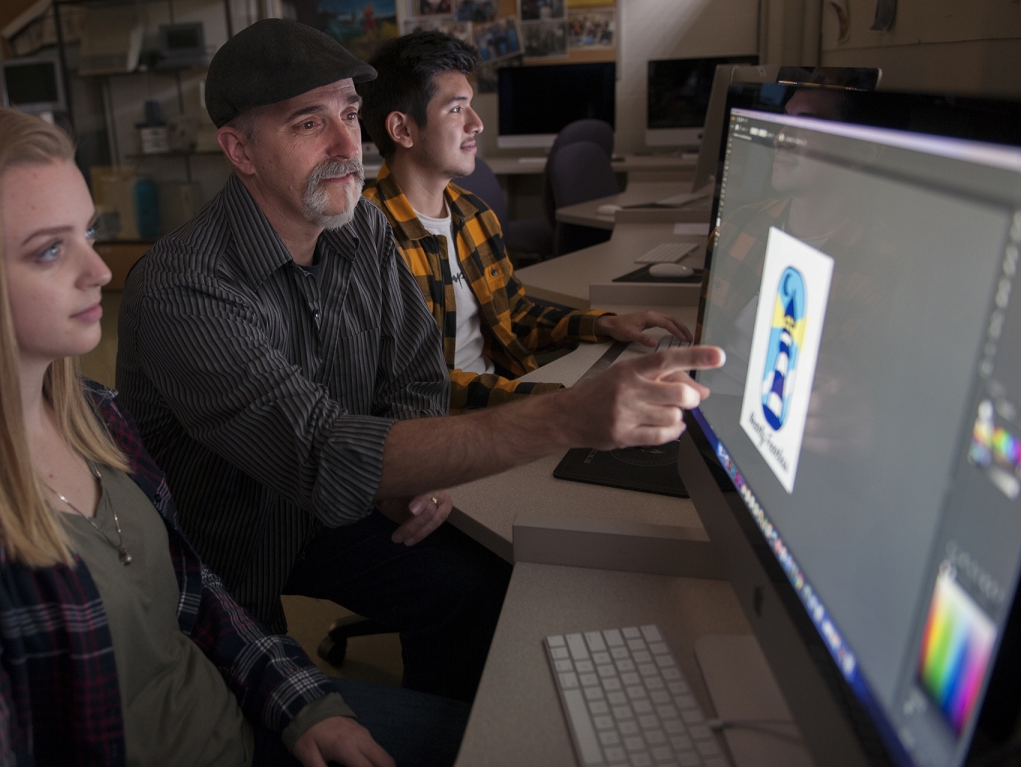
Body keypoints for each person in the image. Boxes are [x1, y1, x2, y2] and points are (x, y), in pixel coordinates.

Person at [0, 105, 468, 767]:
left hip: (242, 723)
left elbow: (196, 592)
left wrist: (298, 697)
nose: (100, 272)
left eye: (89, 233)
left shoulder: (94, 413)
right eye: (50, 250)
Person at [116, 18, 725, 703]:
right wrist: (566, 416)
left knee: (479, 583)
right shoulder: (183, 286)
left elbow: (414, 376)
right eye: (309, 123)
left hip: (328, 511)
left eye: (349, 113)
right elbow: (319, 452)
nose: (350, 144)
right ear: (240, 149)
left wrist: (414, 472)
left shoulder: (363, 228)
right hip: (236, 546)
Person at [358, 31, 694, 411]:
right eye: (456, 109)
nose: (477, 124)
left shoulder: (473, 214)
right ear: (402, 130)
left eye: (471, 105)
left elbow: (514, 315)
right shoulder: (367, 241)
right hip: (445, 427)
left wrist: (601, 324)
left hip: (506, 396)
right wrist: (557, 400)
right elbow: (413, 384)